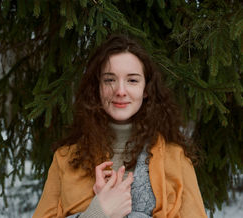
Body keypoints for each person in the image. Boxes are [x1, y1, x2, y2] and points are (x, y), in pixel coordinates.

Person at [33, 34, 207, 218]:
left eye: (132, 80)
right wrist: (98, 212)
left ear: (146, 89)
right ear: (97, 87)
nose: (120, 91)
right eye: (109, 80)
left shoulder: (176, 158)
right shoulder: (66, 158)